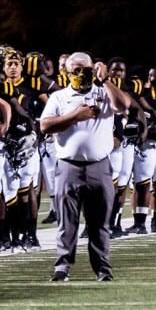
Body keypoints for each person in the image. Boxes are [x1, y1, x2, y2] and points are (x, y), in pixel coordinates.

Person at [39, 52, 130, 282]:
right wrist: (75, 116)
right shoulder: (59, 97)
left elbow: (123, 105)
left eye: (85, 69)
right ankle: (62, 267)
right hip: (68, 166)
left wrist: (106, 79)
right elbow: (45, 125)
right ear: (66, 73)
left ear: (94, 69)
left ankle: (102, 268)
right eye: (75, 70)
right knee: (66, 222)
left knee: (100, 222)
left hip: (99, 166)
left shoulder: (103, 92)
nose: (81, 74)